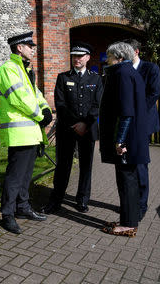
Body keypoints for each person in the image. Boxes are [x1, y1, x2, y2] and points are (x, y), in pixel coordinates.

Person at [0, 31, 52, 234]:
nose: (33, 49)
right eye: (30, 46)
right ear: (19, 47)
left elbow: (36, 94)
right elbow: (19, 98)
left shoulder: (25, 70)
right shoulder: (7, 69)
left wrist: (45, 108)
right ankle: (7, 214)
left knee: (25, 175)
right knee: (14, 176)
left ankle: (23, 207)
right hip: (20, 132)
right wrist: (40, 115)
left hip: (30, 132)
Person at [41, 42, 103, 214]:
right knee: (63, 165)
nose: (77, 59)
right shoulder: (63, 77)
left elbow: (97, 104)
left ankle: (82, 200)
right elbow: (60, 104)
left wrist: (86, 123)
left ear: (88, 58)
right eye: (74, 56)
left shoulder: (96, 79)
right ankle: (56, 200)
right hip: (67, 129)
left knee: (86, 165)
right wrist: (76, 123)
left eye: (80, 56)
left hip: (88, 129)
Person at [99, 42, 149, 237]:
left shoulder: (122, 74)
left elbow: (126, 112)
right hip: (132, 137)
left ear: (119, 57)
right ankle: (130, 218)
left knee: (126, 180)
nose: (107, 59)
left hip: (127, 140)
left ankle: (128, 224)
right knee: (129, 179)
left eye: (109, 56)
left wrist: (120, 141)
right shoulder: (127, 72)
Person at [123, 38, 160, 220]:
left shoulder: (150, 69)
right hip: (126, 124)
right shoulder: (124, 69)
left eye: (127, 51)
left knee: (140, 164)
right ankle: (130, 202)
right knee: (127, 164)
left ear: (136, 51)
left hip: (143, 122)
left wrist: (136, 113)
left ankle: (141, 205)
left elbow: (154, 93)